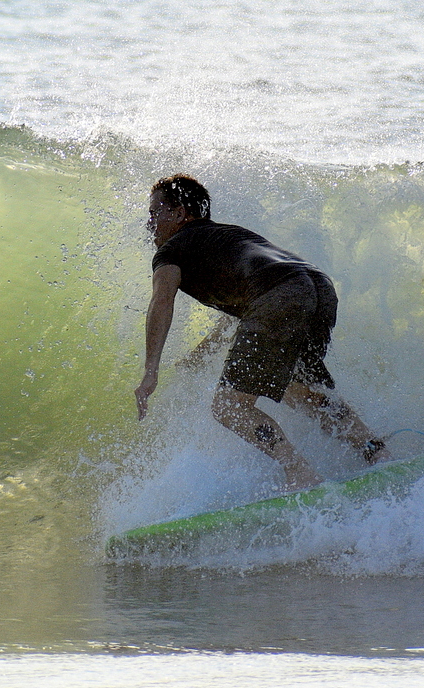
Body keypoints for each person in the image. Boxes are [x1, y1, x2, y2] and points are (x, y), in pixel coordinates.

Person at [134, 174, 383, 491]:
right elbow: (244, 313)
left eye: (154, 213)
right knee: (301, 391)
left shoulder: (173, 249)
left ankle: (300, 475)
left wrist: (150, 371)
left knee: (229, 406)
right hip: (317, 289)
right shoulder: (226, 236)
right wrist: (201, 354)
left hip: (280, 296)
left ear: (180, 213)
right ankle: (377, 452)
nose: (149, 223)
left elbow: (161, 300)